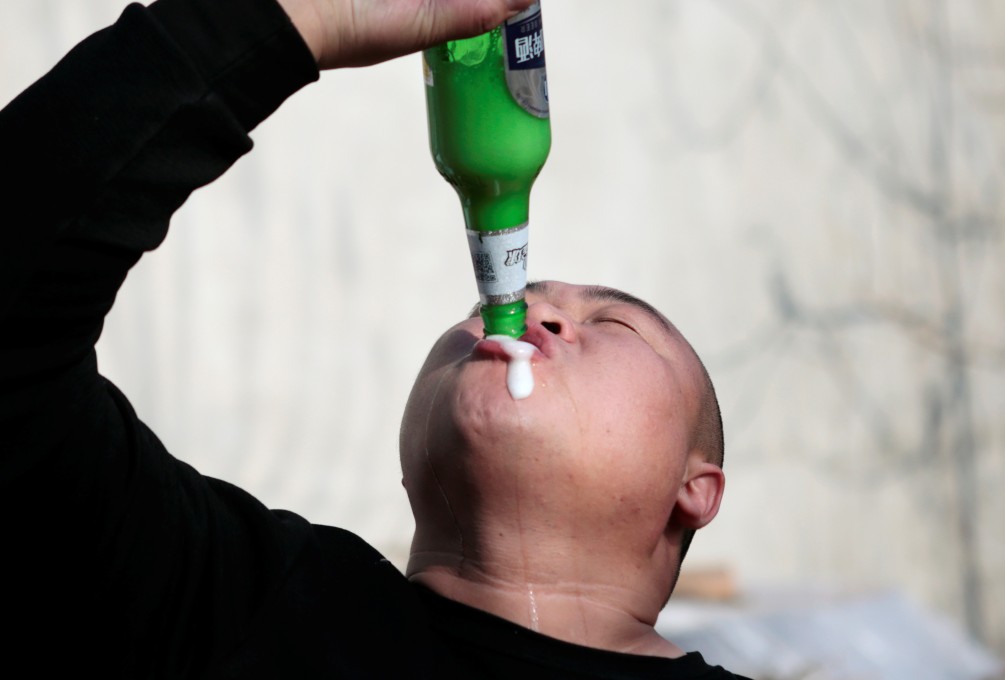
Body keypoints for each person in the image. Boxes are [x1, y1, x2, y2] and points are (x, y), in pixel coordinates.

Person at [0, 0, 747, 677]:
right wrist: (293, 19)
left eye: (608, 322)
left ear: (696, 488)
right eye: (483, 308)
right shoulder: (240, 605)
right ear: (412, 470)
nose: (519, 311)